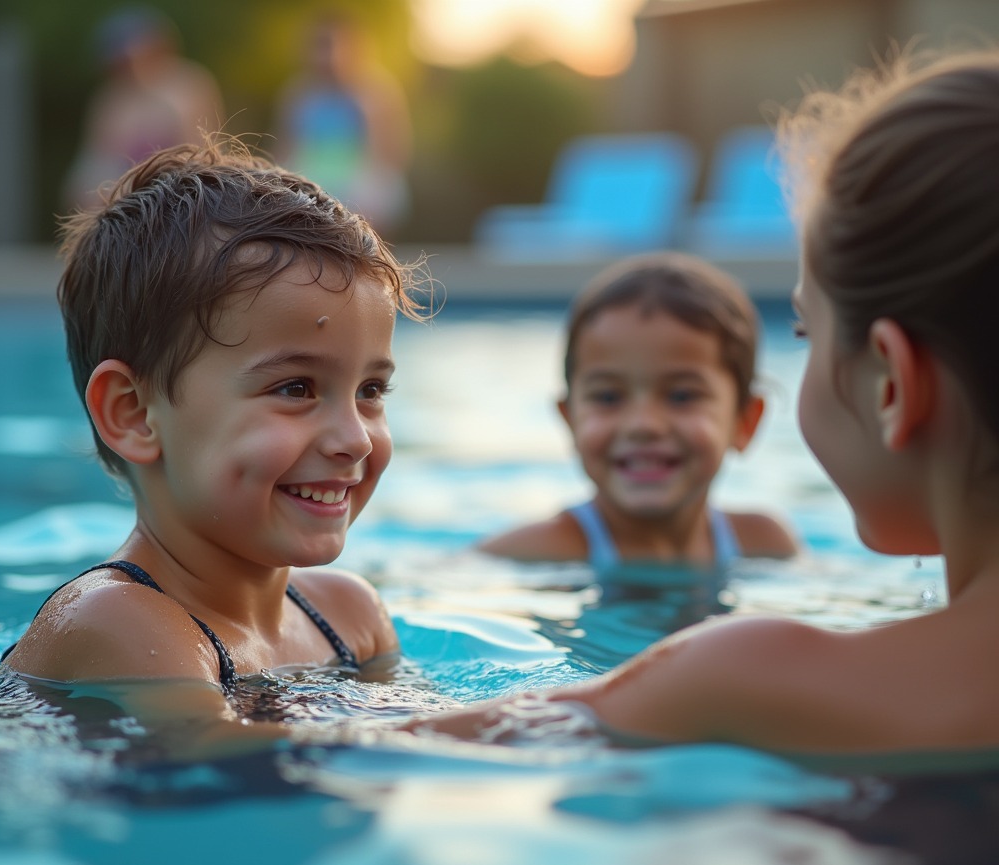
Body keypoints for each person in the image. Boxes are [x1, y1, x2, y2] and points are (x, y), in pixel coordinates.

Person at [408, 48, 999, 754]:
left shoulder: (741, 676)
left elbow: (347, 743)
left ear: (891, 385)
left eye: (805, 332)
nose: (645, 423)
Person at [2, 137, 425, 747]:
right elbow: (226, 757)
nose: (354, 438)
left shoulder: (349, 614)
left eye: (371, 390)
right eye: (297, 387)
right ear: (134, 414)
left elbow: (422, 739)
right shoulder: (115, 620)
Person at [477, 251, 800, 566]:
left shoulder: (762, 544)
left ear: (744, 422)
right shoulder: (535, 554)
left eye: (682, 396)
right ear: (570, 420)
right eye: (608, 398)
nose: (643, 424)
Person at [62, 6, 225, 212]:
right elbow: (94, 165)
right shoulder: (110, 99)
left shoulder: (188, 86)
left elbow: (200, 153)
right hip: (130, 199)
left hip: (180, 195)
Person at [274, 12, 412, 235]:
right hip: (310, 178)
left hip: (362, 181)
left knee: (370, 199)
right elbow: (284, 151)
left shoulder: (379, 92)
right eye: (320, 46)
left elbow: (392, 157)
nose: (327, 56)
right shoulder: (298, 94)